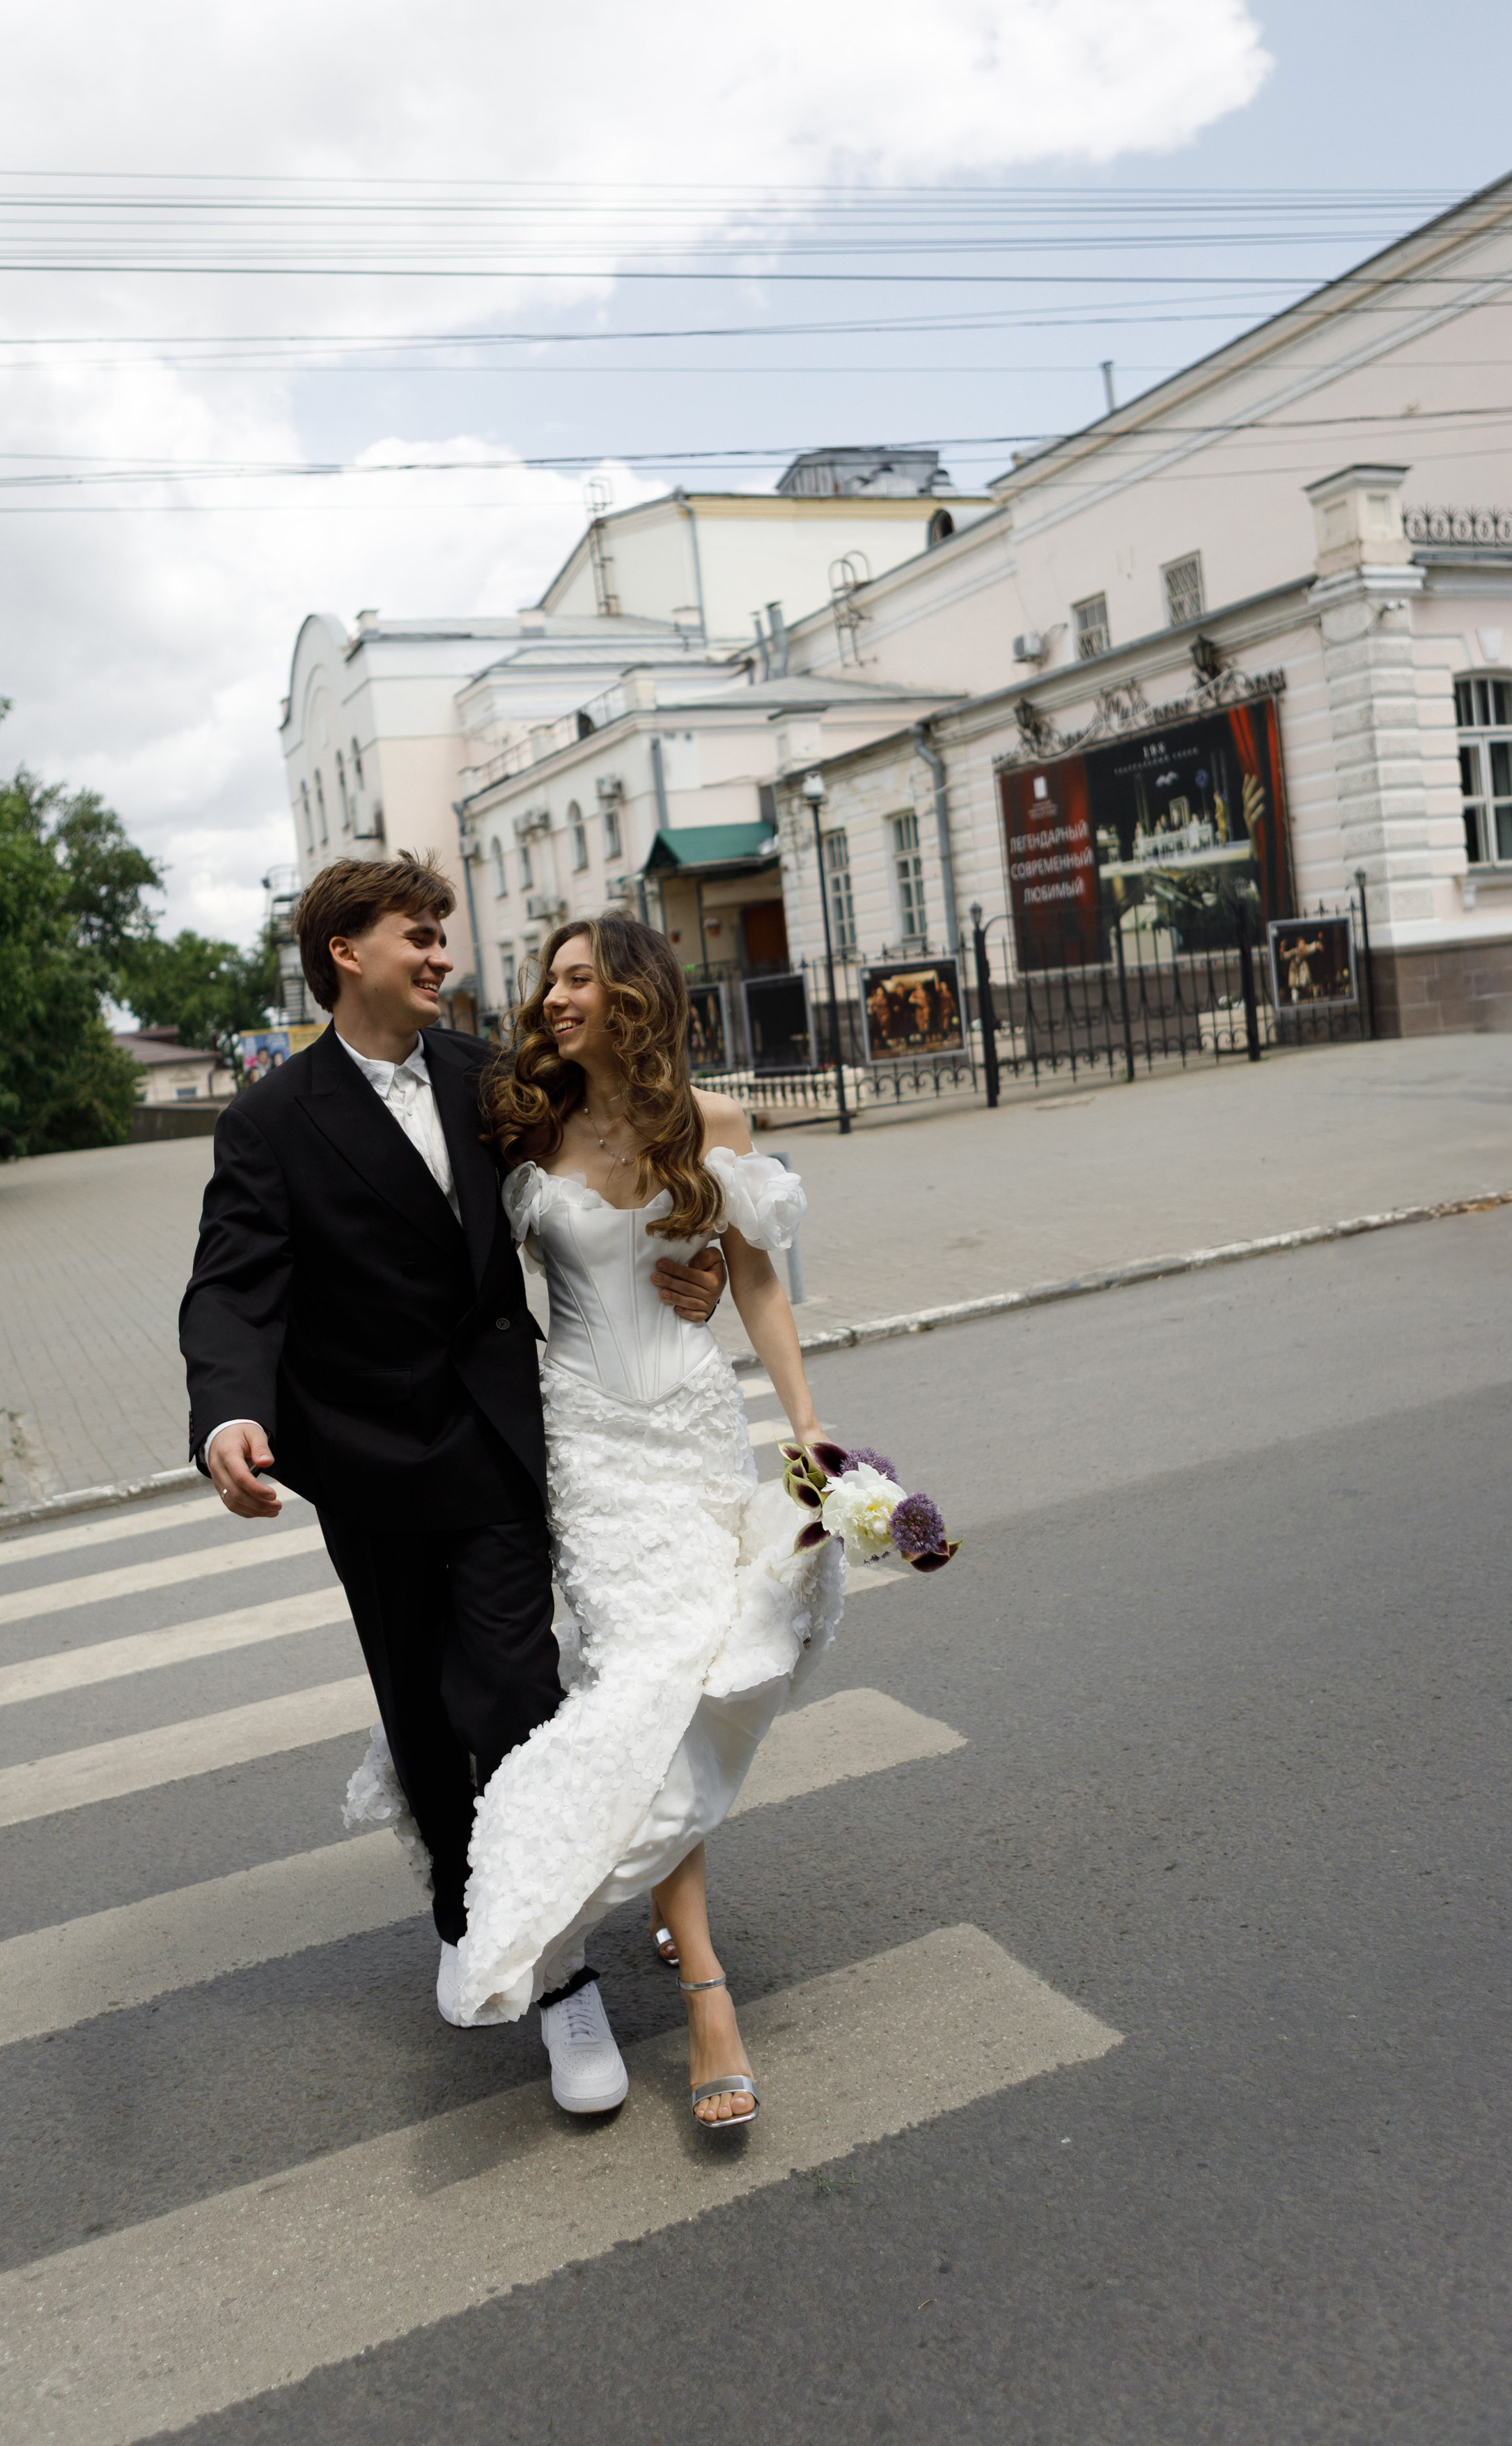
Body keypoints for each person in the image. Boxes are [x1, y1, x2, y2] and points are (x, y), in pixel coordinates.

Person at [178, 855, 725, 2115]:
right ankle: (462, 1909)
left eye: (442, 934)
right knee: (423, 1714)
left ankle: (561, 1967)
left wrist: (689, 1259)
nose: (442, 955)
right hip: (364, 1462)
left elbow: (629, 1148)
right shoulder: (270, 1121)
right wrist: (230, 1415)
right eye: (417, 936)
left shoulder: (493, 1078)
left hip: (494, 1441)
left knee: (518, 1692)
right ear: (345, 955)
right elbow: (232, 1287)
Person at [375, 910, 843, 2133]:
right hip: (585, 1441)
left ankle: (650, 1907)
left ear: (635, 993)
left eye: (580, 977)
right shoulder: (524, 1123)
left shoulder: (716, 1124)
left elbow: (756, 1281)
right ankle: (706, 1992)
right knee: (647, 1685)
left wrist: (806, 1429)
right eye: (551, 979)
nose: (555, 996)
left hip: (692, 1428)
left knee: (696, 1679)